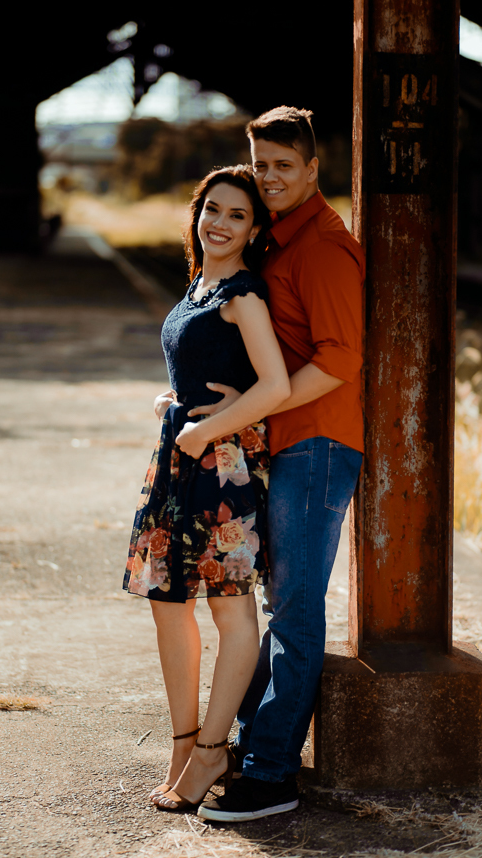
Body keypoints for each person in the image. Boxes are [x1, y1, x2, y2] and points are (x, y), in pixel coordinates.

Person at [189, 107, 365, 822]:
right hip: (290, 437)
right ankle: (250, 740)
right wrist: (247, 401)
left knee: (294, 610)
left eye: (283, 167)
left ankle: (272, 774)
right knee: (279, 604)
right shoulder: (279, 240)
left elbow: (344, 359)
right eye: (260, 164)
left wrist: (261, 409)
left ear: (314, 169)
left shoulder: (322, 247)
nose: (269, 178)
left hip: (319, 443)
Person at [122, 165, 290, 812]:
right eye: (211, 209)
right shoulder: (200, 283)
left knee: (229, 609)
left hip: (220, 465)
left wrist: (209, 428)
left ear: (254, 229)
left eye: (237, 215)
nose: (220, 223)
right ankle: (183, 743)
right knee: (167, 603)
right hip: (178, 457)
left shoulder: (242, 294)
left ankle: (215, 750)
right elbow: (211, 363)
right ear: (198, 213)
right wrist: (177, 399)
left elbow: (274, 386)